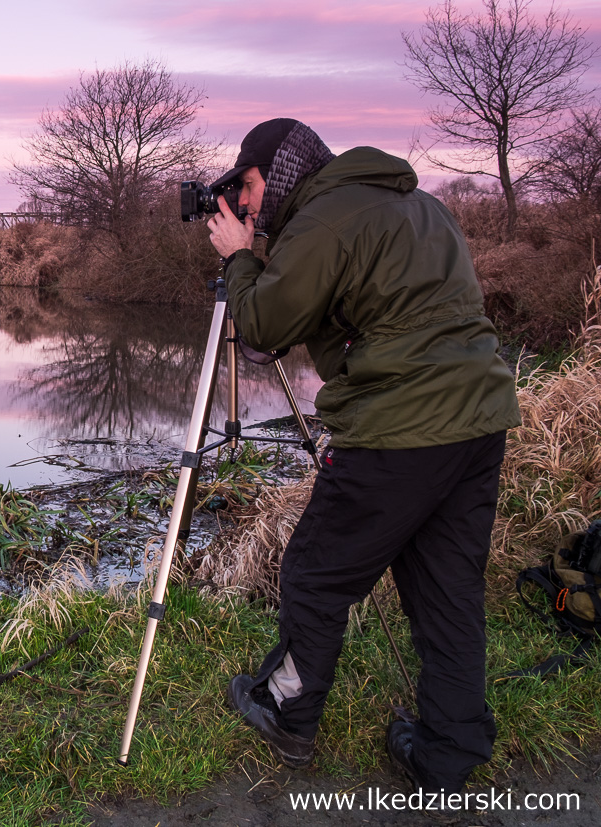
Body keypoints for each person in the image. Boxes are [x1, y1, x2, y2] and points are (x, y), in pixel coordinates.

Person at [205, 118, 521, 794]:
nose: (247, 204)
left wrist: (240, 255)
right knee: (447, 589)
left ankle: (286, 709)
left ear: (282, 171)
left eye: (249, 186)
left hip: (401, 428)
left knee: (317, 572)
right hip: (480, 420)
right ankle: (447, 752)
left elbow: (261, 325)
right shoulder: (419, 205)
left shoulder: (325, 220)